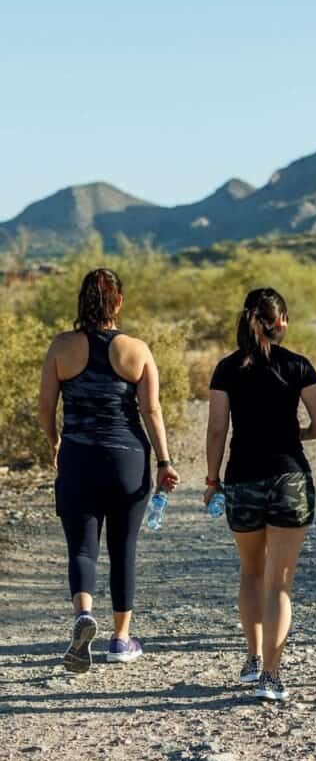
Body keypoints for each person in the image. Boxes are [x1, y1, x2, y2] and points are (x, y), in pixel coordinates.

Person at [39, 268, 179, 673]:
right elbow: (151, 410)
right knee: (123, 548)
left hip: (78, 457)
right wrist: (165, 460)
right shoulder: (137, 349)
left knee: (82, 548)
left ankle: (84, 614)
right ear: (118, 302)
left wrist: (54, 443)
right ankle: (120, 639)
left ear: (82, 301)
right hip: (128, 460)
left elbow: (46, 408)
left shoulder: (61, 347)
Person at [205, 287, 316, 701]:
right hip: (289, 478)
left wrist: (211, 478)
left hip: (241, 478)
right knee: (279, 582)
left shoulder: (226, 369)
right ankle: (271, 678)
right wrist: (301, 434)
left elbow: (218, 429)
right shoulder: (298, 366)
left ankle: (253, 658)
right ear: (283, 323)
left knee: (251, 572)